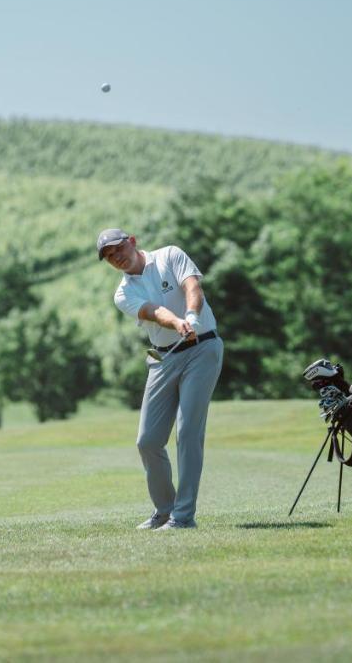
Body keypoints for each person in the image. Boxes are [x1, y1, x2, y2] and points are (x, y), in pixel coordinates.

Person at [97, 227, 224, 530]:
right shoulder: (123, 293)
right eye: (110, 257)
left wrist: (191, 317)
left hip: (202, 346)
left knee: (188, 431)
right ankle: (165, 509)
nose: (117, 258)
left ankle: (183, 517)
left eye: (119, 250)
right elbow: (154, 312)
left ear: (132, 241)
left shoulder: (170, 255)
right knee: (148, 440)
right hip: (163, 357)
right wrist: (178, 322)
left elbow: (193, 288)